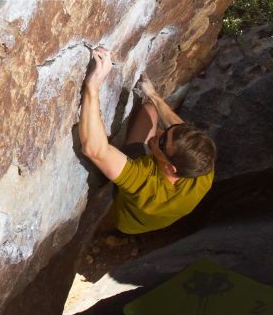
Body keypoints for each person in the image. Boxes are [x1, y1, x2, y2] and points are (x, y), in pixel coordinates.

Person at [78, 46, 217, 234]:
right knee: (151, 111)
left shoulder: (146, 187)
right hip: (160, 213)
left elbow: (95, 150)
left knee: (108, 155)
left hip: (128, 221)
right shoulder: (202, 167)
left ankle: (108, 227)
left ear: (171, 168)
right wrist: (153, 95)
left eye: (161, 143)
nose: (158, 134)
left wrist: (93, 86)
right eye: (169, 131)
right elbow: (178, 129)